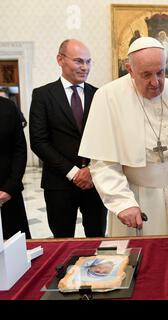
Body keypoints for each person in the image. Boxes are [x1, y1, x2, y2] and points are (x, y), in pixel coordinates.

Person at [79, 37, 168, 236]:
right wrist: (123, 203)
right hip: (136, 198)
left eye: (161, 72)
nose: (155, 82)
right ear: (129, 69)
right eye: (146, 75)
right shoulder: (108, 97)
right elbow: (103, 162)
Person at [29, 39, 107, 238]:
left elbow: (106, 139)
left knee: (97, 239)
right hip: (59, 184)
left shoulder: (99, 95)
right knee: (62, 241)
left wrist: (90, 170)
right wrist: (73, 173)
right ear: (60, 59)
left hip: (95, 182)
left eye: (88, 62)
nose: (85, 67)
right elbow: (39, 141)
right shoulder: (42, 95)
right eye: (79, 61)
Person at [0, 96, 31, 239]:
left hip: (7, 192)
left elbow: (20, 149)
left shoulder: (8, 107)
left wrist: (10, 187)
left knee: (16, 248)